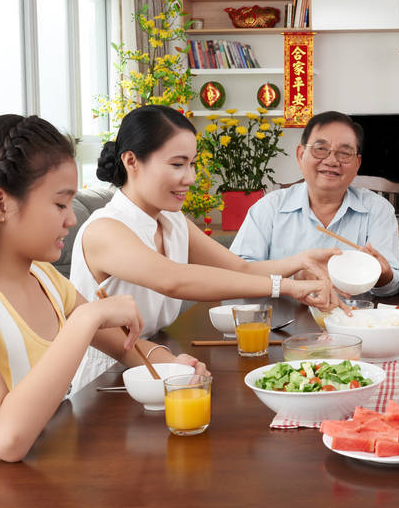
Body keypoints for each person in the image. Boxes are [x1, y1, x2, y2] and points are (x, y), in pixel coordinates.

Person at [0, 115, 207, 493]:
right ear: (0, 204)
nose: (71, 220)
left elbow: (129, 347)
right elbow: (7, 439)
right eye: (60, 204)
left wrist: (173, 365)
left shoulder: (45, 280)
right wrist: (86, 321)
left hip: (41, 482)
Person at [70, 105, 343, 391]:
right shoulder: (106, 229)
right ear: (131, 161)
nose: (190, 178)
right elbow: (173, 280)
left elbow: (240, 267)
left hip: (154, 364)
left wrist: (301, 260)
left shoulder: (172, 220)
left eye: (192, 163)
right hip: (105, 380)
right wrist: (285, 286)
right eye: (177, 165)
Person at [230, 111, 399, 296]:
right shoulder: (269, 208)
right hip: (280, 321)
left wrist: (384, 275)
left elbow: (391, 288)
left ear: (357, 163)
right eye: (320, 149)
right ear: (300, 155)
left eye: (344, 153)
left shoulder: (378, 210)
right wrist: (294, 279)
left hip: (354, 319)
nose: (331, 161)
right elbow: (237, 274)